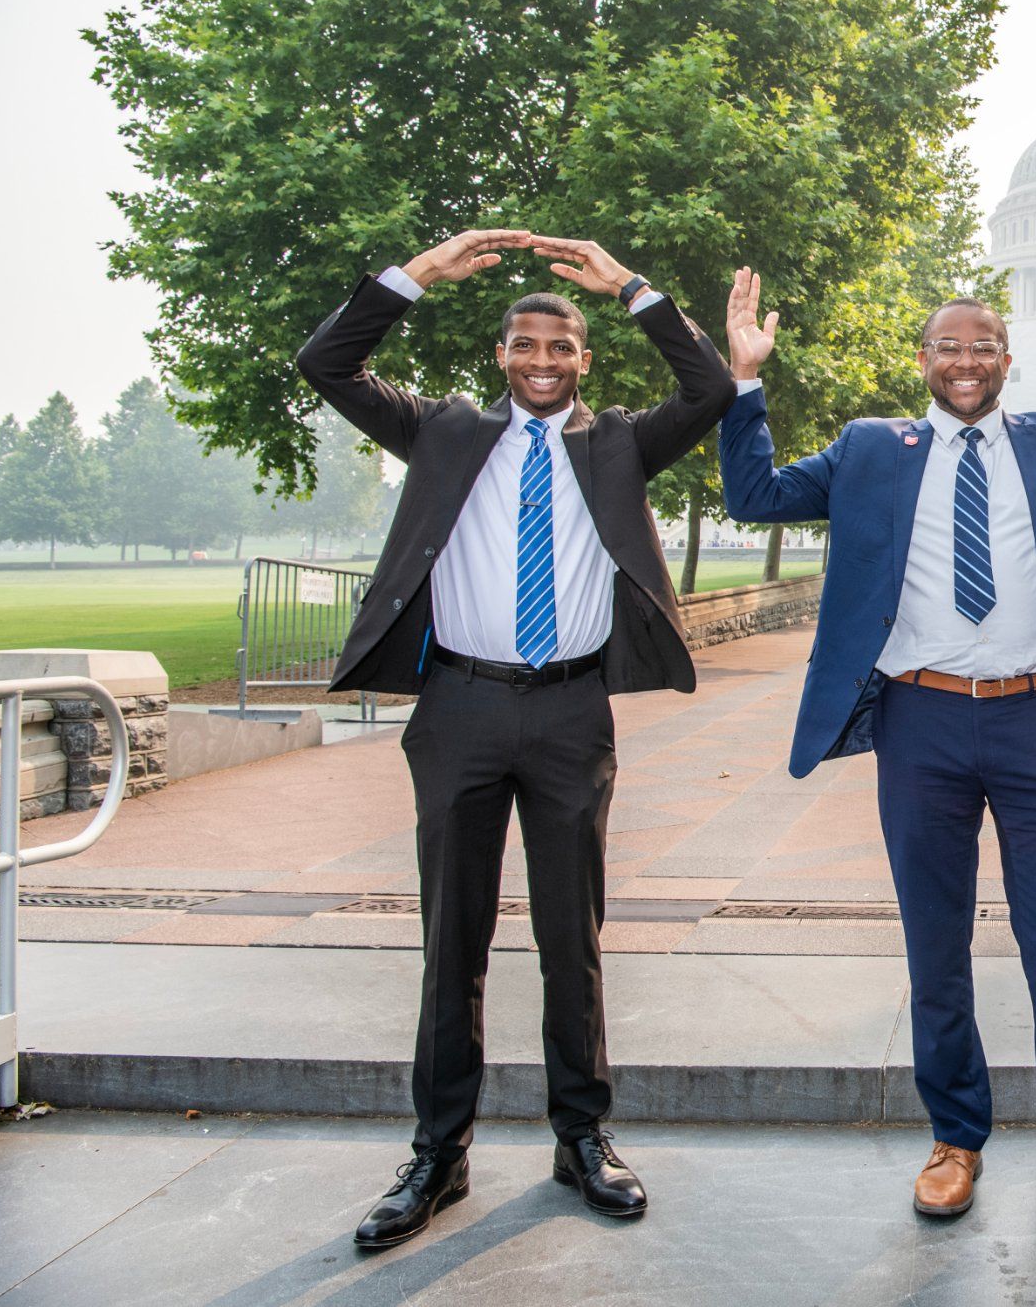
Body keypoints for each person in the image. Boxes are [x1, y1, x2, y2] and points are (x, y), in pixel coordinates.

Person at [715, 267, 1036, 1217]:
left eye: (983, 345)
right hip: (922, 721)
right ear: (925, 360)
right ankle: (955, 1138)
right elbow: (756, 497)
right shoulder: (871, 449)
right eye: (950, 346)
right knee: (935, 944)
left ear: (1006, 359)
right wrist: (745, 382)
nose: (967, 361)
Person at [297, 229, 734, 1247]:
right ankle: (437, 1152)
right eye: (525, 345)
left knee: (568, 936)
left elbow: (709, 386)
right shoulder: (444, 431)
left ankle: (580, 1135)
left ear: (585, 358)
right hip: (459, 708)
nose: (543, 360)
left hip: (573, 712)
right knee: (451, 938)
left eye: (562, 347)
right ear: (500, 354)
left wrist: (628, 284)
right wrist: (418, 275)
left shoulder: (618, 441)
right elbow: (327, 362)